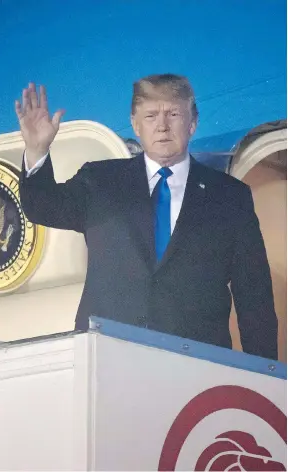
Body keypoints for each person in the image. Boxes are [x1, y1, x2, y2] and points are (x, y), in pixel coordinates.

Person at [15, 74, 278, 360]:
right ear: (135, 125)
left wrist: (266, 376)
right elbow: (42, 207)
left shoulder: (230, 197)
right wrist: (37, 150)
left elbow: (254, 298)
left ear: (192, 123)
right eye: (151, 115)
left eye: (173, 114)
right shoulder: (100, 181)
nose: (162, 126)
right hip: (109, 360)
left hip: (198, 370)